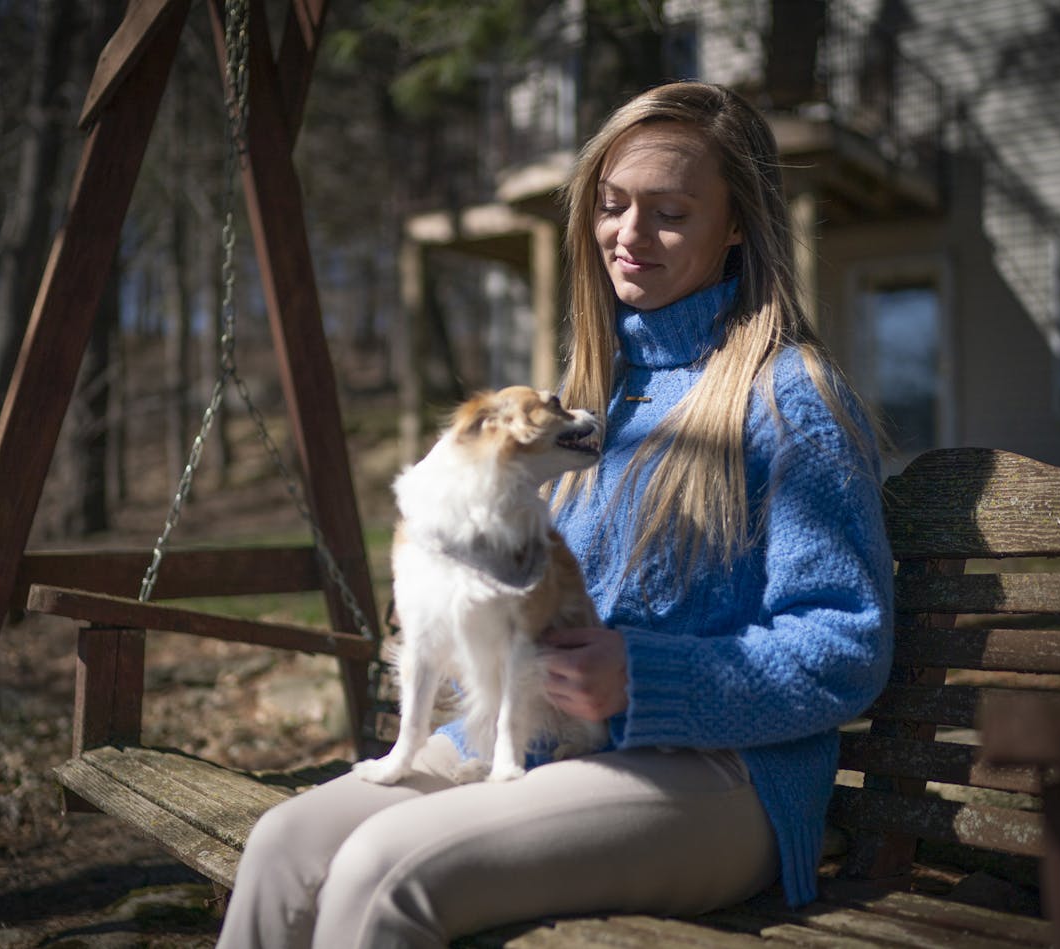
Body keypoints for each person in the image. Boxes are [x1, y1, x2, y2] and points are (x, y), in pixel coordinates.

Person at [215, 80, 893, 949]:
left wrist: (645, 678)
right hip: (536, 735)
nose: (629, 236)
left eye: (670, 213)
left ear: (736, 226)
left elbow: (846, 644)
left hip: (725, 776)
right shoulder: (588, 398)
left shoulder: (788, 396)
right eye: (612, 206)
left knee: (386, 871)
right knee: (283, 846)